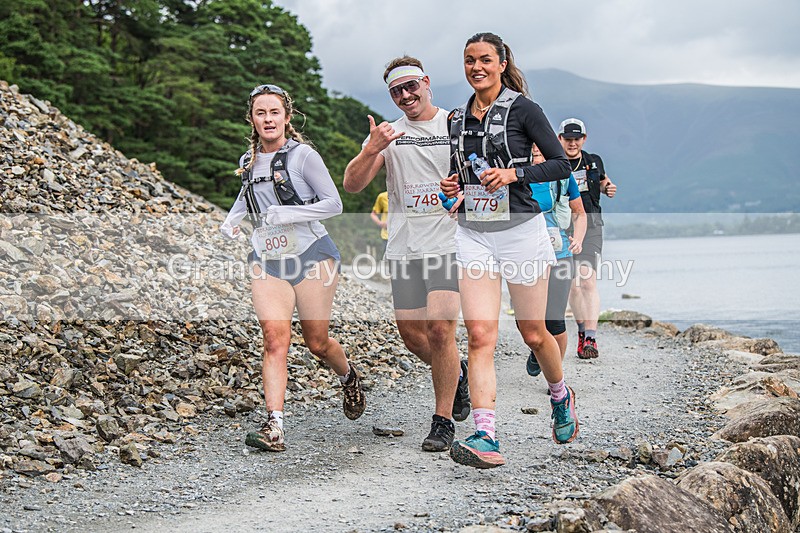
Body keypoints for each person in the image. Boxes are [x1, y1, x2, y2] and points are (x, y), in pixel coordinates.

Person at [440, 32, 578, 469]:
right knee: (480, 336)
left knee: (534, 333)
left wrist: (514, 173)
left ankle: (560, 394)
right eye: (468, 60)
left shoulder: (524, 109)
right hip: (473, 231)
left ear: (501, 63)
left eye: (484, 60)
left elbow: (561, 163)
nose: (476, 67)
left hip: (521, 232)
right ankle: (486, 435)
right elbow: (460, 172)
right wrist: (452, 188)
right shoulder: (456, 119)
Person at [220, 83, 366, 452]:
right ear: (251, 119)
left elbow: (334, 204)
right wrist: (232, 220)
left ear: (287, 116)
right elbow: (246, 198)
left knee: (316, 342)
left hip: (313, 254)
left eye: (274, 112)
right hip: (267, 260)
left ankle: (348, 377)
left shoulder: (303, 157)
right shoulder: (247, 161)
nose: (268, 119)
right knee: (274, 338)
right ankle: (274, 426)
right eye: (260, 113)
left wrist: (291, 213)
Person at [343, 56, 469, 453]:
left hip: (449, 242)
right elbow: (352, 185)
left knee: (440, 330)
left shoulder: (455, 124)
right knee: (413, 336)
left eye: (411, 86)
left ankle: (442, 420)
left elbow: (480, 173)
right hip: (404, 246)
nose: (405, 95)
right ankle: (459, 373)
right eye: (396, 91)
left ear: (426, 82)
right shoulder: (389, 134)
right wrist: (371, 150)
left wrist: (463, 189)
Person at [525, 144, 587, 378]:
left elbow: (580, 213)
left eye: (539, 146)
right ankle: (538, 345)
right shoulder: (514, 175)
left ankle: (555, 380)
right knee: (527, 321)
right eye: (530, 146)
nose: (535, 150)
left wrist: (578, 240)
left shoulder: (562, 176)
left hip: (560, 255)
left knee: (554, 319)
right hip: (525, 257)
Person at [558, 118, 617, 359]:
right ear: (560, 139)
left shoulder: (593, 161)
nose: (572, 143)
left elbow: (603, 182)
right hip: (563, 227)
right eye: (568, 139)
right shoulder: (555, 163)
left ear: (584, 139)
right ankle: (582, 332)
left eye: (577, 139)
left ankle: (591, 336)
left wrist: (608, 188)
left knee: (588, 281)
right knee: (572, 284)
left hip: (591, 225)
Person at [370, 190, 389, 257]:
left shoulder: (406, 195)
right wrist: (381, 223)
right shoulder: (382, 196)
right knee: (388, 261)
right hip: (387, 236)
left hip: (403, 235)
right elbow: (373, 214)